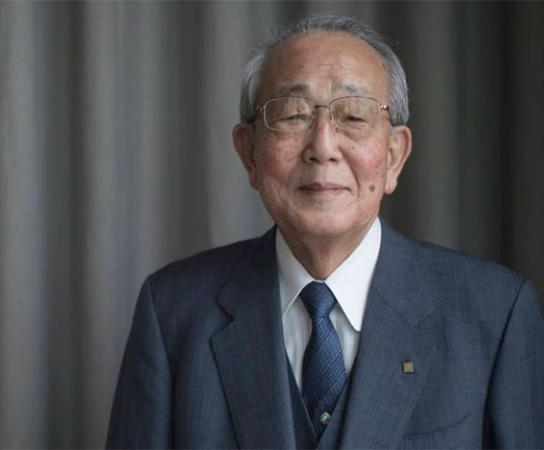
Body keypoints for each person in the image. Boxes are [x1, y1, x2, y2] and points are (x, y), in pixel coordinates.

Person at [106, 15, 544, 449]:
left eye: (353, 115)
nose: (322, 146)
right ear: (248, 153)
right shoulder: (173, 312)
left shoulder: (495, 313)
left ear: (395, 156)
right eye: (292, 115)